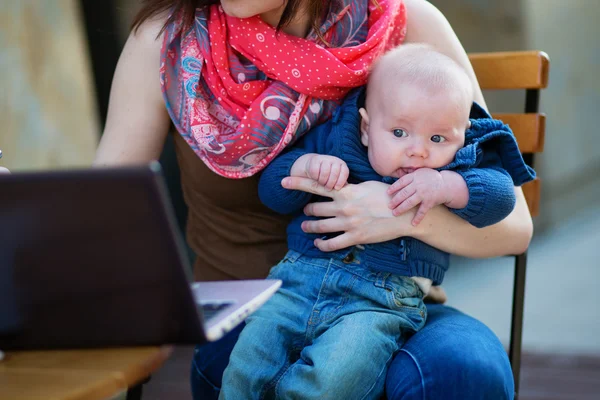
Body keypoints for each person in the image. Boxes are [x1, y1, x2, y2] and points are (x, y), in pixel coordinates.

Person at [95, 0, 533, 399]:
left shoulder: (403, 22)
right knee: (259, 376)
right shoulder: (169, 39)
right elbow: (100, 219)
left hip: (390, 298)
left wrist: (397, 215)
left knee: (466, 371)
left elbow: (514, 227)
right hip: (255, 311)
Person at [217, 44, 535, 399]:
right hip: (297, 282)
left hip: (377, 303)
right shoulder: (336, 139)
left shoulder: (455, 166)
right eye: (399, 133)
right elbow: (272, 191)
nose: (418, 151)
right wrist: (303, 167)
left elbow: (501, 197)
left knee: (339, 372)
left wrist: (447, 185)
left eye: (437, 138)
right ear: (367, 128)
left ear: (462, 137)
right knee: (249, 359)